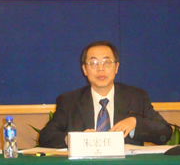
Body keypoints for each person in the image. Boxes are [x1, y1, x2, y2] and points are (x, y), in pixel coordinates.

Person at [38, 41, 172, 148]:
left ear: (116, 67)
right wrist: (73, 139)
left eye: (106, 62)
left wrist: (136, 123)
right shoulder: (69, 101)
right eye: (94, 63)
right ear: (85, 69)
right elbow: (45, 137)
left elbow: (165, 133)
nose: (100, 68)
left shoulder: (136, 97)